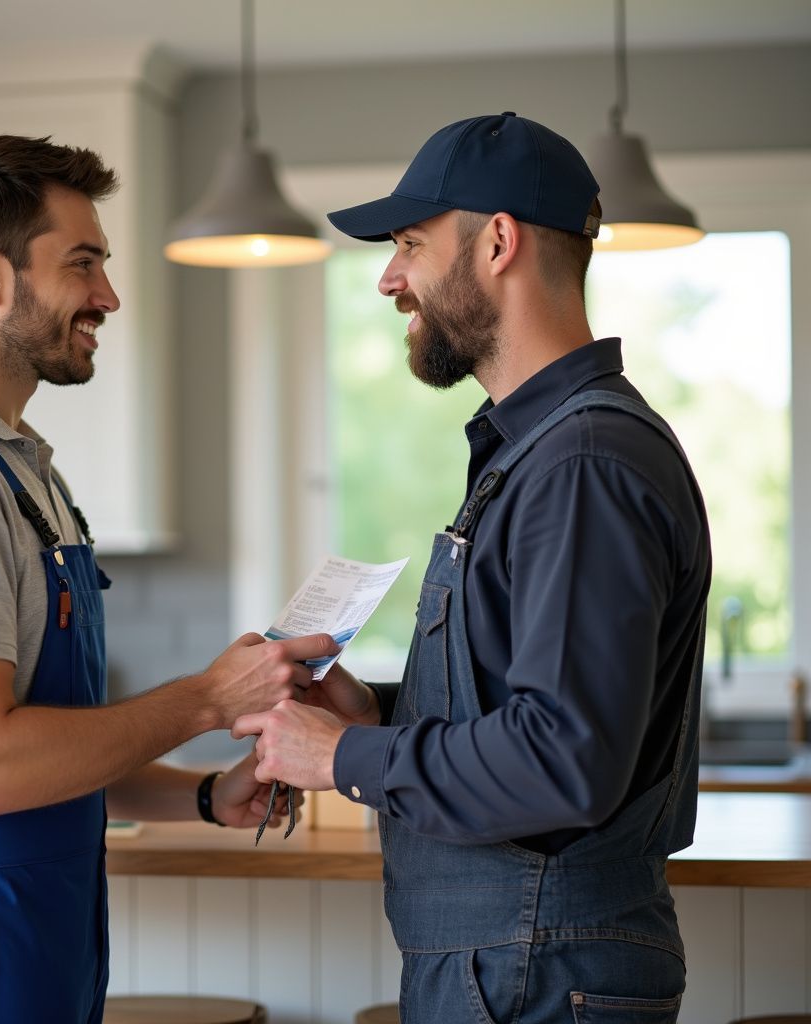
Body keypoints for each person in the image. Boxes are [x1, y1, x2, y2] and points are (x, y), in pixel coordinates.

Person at [0, 134, 336, 1024]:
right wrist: (210, 698)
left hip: (24, 919)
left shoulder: (18, 467)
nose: (108, 296)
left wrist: (208, 796)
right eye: (82, 264)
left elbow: (53, 751)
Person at [234, 112, 712, 1024]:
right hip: (520, 967)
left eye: (411, 243)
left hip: (534, 973)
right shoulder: (543, 451)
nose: (389, 277)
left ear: (499, 241)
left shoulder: (581, 464)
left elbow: (564, 758)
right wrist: (372, 710)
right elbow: (527, 707)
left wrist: (345, 756)